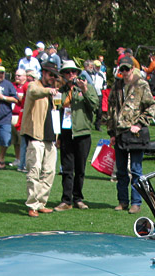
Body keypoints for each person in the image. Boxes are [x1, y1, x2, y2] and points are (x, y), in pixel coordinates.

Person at [106, 56, 155, 214]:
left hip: (135, 135)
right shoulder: (117, 85)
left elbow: (151, 107)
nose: (125, 72)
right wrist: (112, 132)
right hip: (120, 133)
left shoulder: (141, 85)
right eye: (122, 69)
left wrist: (139, 124)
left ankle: (136, 202)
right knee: (121, 171)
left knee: (136, 170)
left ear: (133, 69)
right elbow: (112, 108)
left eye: (127, 69)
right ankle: (122, 201)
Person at [55, 60, 99, 210]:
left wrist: (84, 90)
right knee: (67, 168)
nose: (70, 74)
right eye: (67, 72)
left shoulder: (88, 88)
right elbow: (57, 112)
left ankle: (78, 198)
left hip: (83, 133)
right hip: (66, 133)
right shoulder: (60, 92)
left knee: (80, 169)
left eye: (73, 71)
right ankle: (66, 200)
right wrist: (58, 136)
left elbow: (94, 105)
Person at [20, 61, 62, 217]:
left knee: (49, 171)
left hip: (50, 137)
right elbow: (34, 93)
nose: (52, 78)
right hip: (35, 136)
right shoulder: (34, 86)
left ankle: (41, 202)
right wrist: (48, 91)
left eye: (54, 76)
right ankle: (32, 205)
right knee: (34, 170)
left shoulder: (54, 92)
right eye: (50, 74)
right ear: (43, 73)